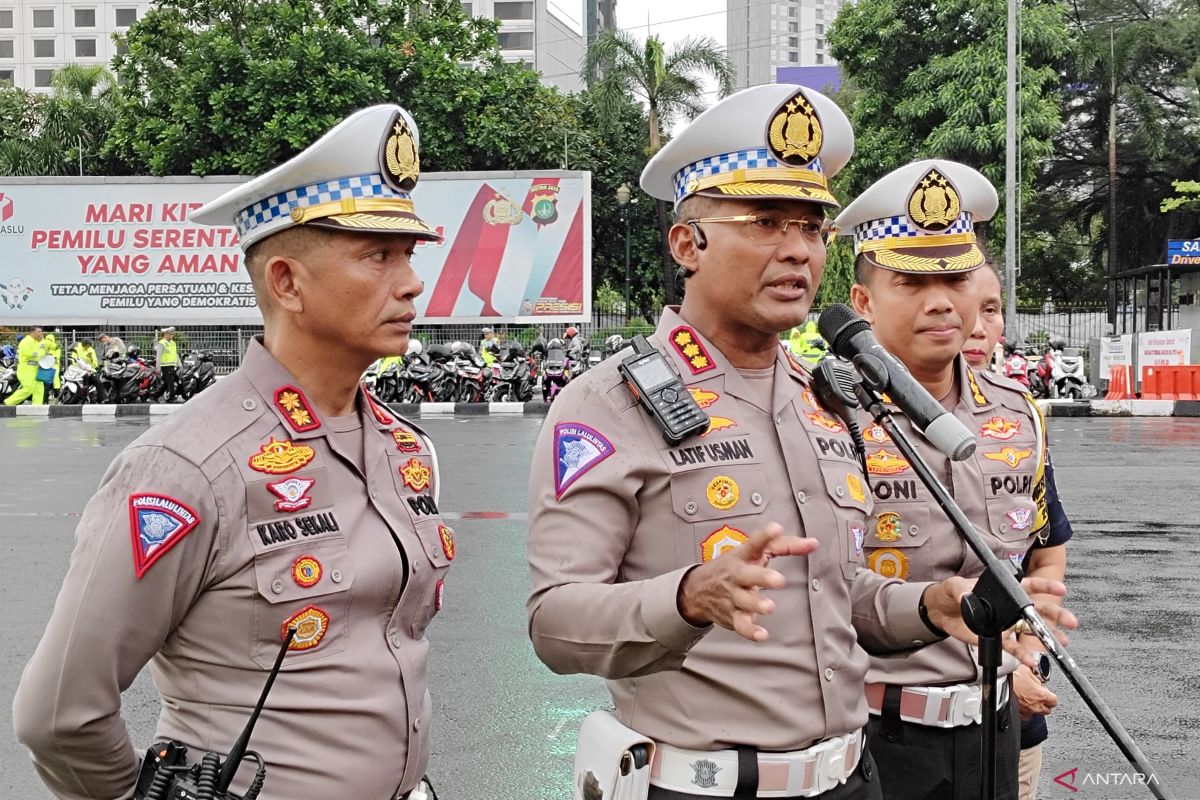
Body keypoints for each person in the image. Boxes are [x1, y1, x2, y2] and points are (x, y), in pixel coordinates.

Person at [526, 87, 1073, 800]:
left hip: (853, 778)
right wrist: (688, 597)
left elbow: (840, 599)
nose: (796, 249)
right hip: (703, 787)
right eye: (764, 222)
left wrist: (933, 605)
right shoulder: (607, 403)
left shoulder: (827, 397)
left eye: (812, 227)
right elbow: (554, 622)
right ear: (688, 243)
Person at [13, 105, 450, 800]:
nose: (410, 282)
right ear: (286, 282)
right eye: (377, 255)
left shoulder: (403, 447)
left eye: (409, 255)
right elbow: (59, 716)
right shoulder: (187, 468)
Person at [837, 159, 1054, 800]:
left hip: (995, 727)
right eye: (910, 280)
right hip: (874, 736)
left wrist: (1028, 642)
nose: (941, 300)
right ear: (863, 302)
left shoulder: (1019, 413)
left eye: (956, 276)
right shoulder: (823, 415)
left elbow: (1036, 556)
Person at [962, 264, 1072, 800]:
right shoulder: (849, 419)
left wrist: (1027, 655)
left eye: (991, 309)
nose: (977, 327)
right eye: (965, 303)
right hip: (890, 727)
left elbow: (1047, 558)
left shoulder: (1021, 419)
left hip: (1013, 721)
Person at [4, 326, 48, 406]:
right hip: (26, 370)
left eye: (41, 331)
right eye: (39, 331)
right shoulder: (25, 341)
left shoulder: (36, 342)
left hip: (36, 370)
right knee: (28, 389)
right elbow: (29, 353)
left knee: (39, 389)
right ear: (32, 332)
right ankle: (8, 403)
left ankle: (37, 407)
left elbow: (43, 352)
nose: (41, 333)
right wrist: (39, 353)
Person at [155, 326, 180, 400]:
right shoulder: (161, 343)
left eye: (172, 334)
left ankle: (156, 395)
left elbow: (175, 354)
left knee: (167, 382)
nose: (172, 335)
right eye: (170, 334)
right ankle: (171, 397)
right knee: (170, 382)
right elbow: (158, 356)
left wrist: (179, 365)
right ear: (165, 334)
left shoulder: (173, 343)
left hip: (172, 365)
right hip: (165, 365)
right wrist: (158, 368)